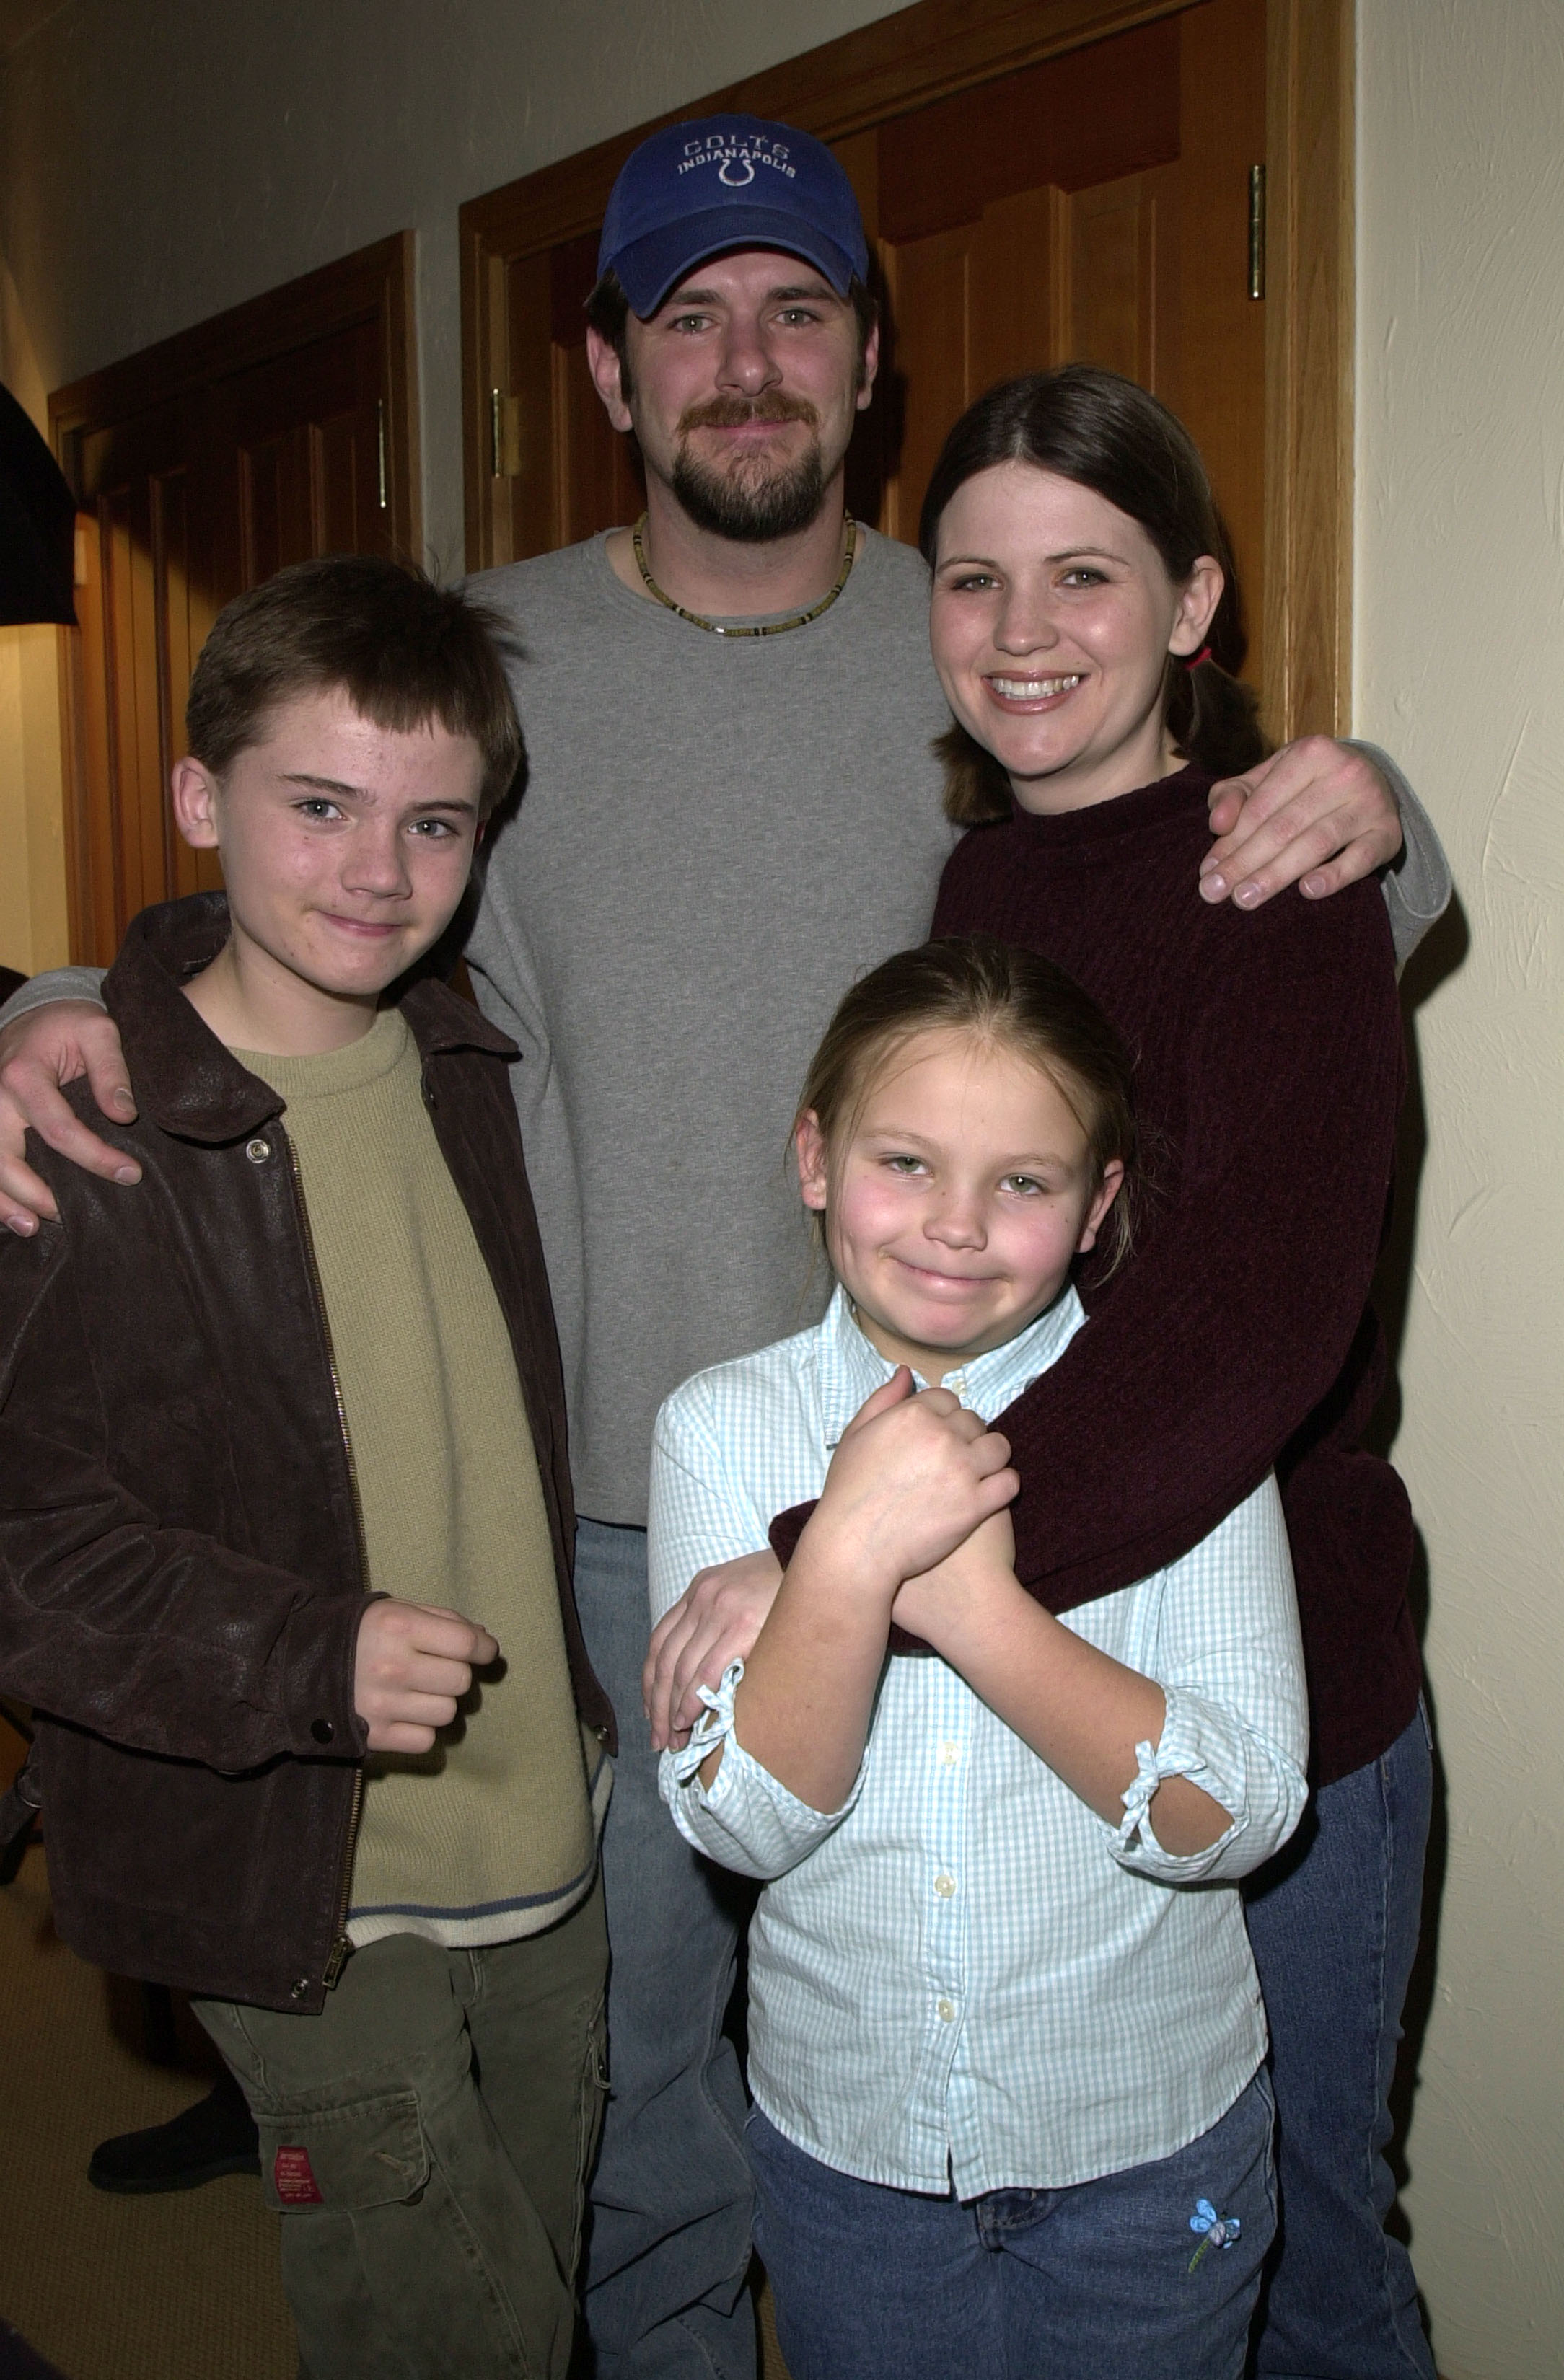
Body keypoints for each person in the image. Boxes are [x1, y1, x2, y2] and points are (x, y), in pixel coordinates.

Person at [0, 117, 1449, 2380]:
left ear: (870, 361)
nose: (746, 363)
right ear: (607, 371)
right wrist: (59, 999)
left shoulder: (970, 650)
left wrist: (1393, 818)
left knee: (1195, 2145)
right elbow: (322, 875)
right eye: (689, 317)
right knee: (662, 2105)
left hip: (1029, 1502)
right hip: (634, 1505)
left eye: (797, 312)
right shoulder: (512, 663)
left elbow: (1246, 925)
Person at [658, 366, 1435, 2380]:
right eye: (975, 580)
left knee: (1310, 2262)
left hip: (1278, 1681)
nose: (1020, 634)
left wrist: (838, 1542)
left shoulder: (1286, 881)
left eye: (1083, 577)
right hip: (1000, 1641)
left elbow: (1244, 1332)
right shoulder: (987, 884)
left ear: (1194, 603)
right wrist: (848, 1552)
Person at [0, 557, 615, 2380]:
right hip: (298, 1864)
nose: (377, 870)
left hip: (540, 1830)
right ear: (200, 798)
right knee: (444, 2334)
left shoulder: (469, 1060)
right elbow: (28, 1549)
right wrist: (301, 1656)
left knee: (536, 2262)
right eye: (319, 806)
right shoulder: (85, 1133)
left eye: (435, 823)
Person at [651, 935, 1309, 2380]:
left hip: (1146, 2145)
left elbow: (1240, 1814)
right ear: (813, 1158)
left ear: (1095, 1208)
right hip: (851, 2158)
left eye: (1021, 1181)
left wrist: (966, 1609)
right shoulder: (720, 1428)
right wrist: (841, 1552)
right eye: (905, 1162)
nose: (955, 1224)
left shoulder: (1184, 1435)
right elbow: (738, 1819)